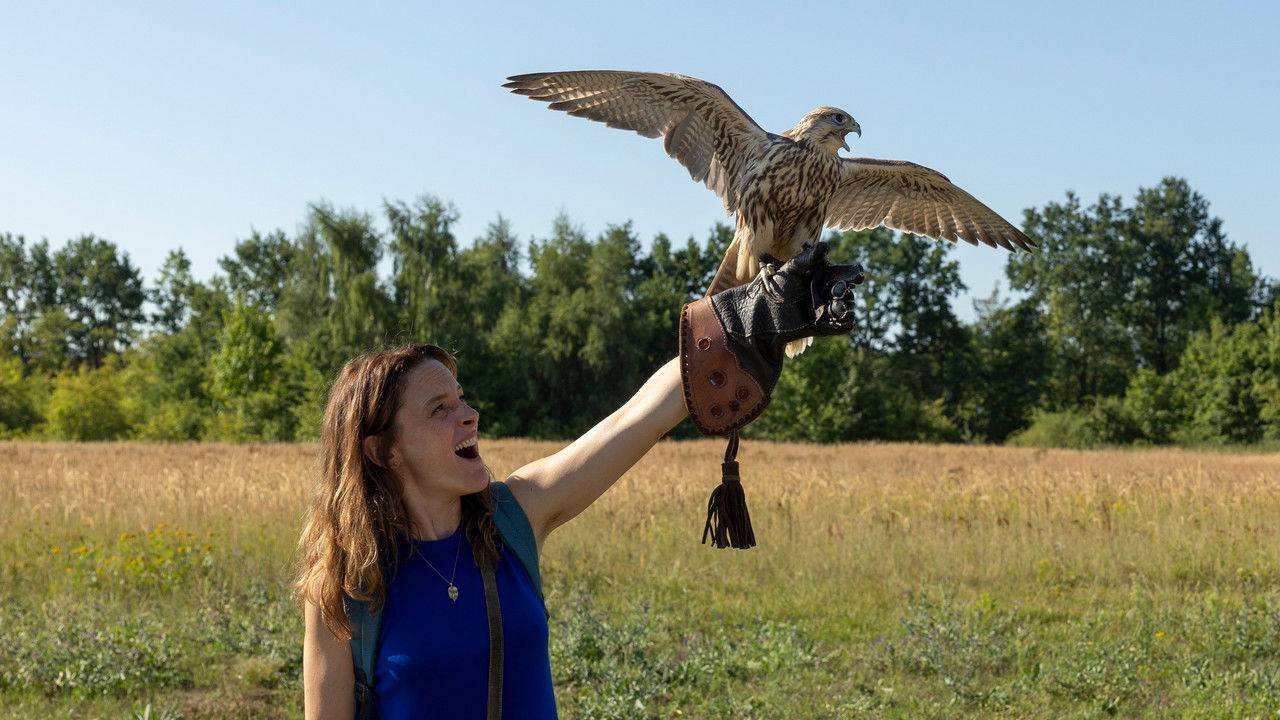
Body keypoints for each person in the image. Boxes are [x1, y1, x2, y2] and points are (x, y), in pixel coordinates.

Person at [294, 242, 859, 719]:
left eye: (462, 398)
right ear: (383, 450)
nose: (469, 416)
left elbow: (637, 418)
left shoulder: (514, 516)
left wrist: (737, 325)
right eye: (439, 409)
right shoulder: (345, 587)